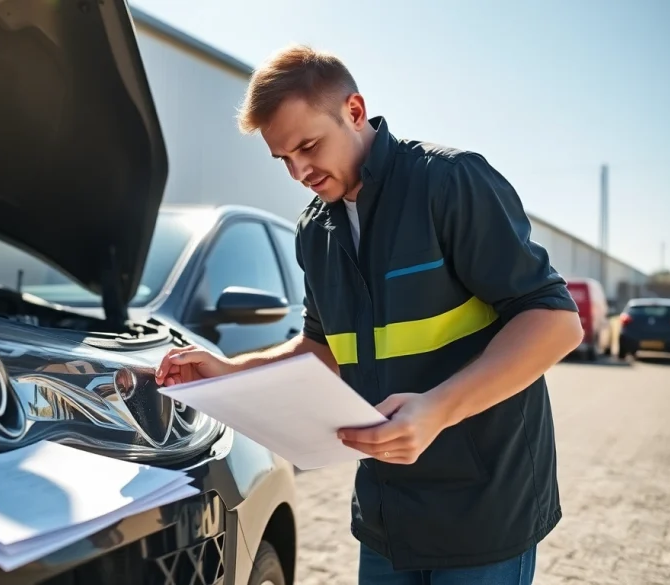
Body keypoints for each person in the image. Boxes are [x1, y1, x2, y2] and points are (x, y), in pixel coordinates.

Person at [154, 44, 584, 584]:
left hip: (485, 511)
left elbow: (555, 321)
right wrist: (229, 371)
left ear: (354, 111)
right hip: (387, 517)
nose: (299, 171)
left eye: (308, 146)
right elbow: (319, 348)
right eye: (283, 158)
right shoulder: (315, 231)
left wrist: (436, 410)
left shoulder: (449, 183)